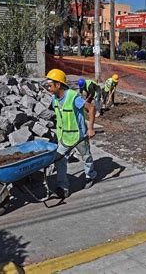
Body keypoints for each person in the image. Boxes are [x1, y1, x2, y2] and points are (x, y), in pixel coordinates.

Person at [46, 69, 98, 198]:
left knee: (86, 156)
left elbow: (91, 108)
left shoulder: (73, 97)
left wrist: (90, 128)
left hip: (78, 135)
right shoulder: (54, 99)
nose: (48, 88)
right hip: (64, 137)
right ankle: (63, 187)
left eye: (50, 85)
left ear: (58, 85)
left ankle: (89, 176)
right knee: (59, 160)